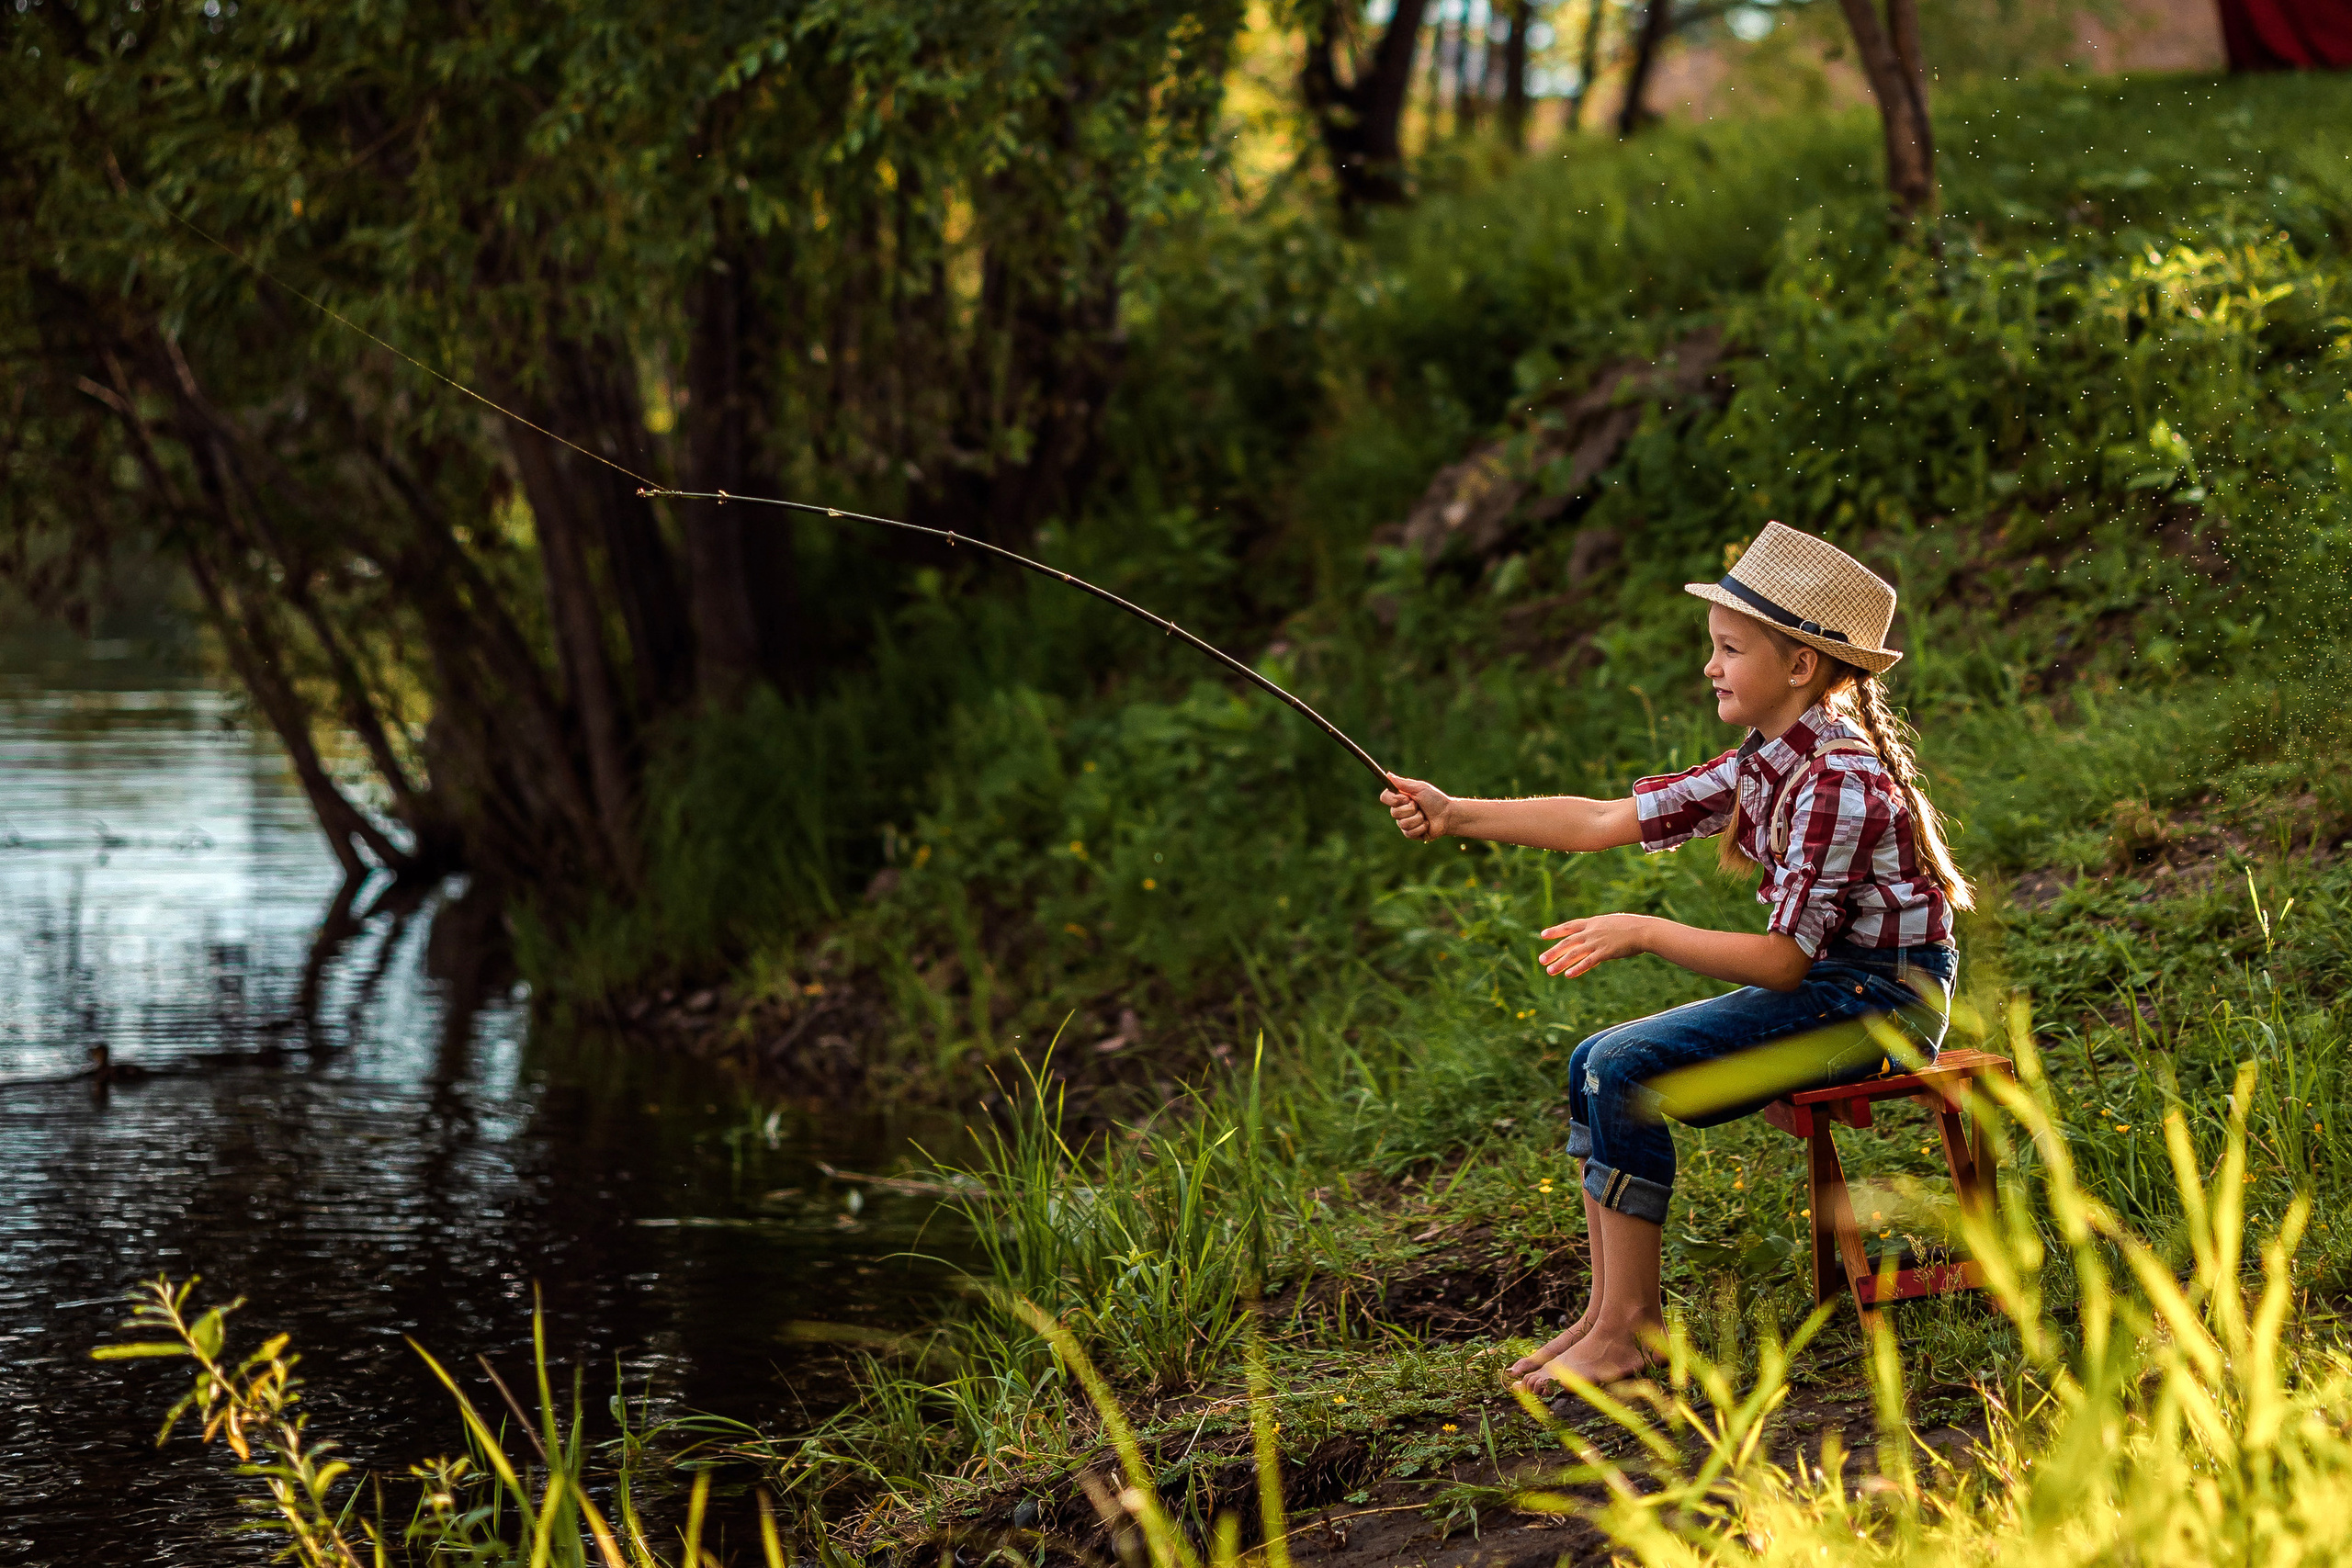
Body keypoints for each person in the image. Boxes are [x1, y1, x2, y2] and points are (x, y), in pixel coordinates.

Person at [1380, 523, 1973, 1393]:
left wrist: (1648, 928)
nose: (1711, 667)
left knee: (1624, 1067)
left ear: (1801, 665)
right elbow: (1597, 820)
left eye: (1730, 649)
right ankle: (1608, 1312)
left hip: (1882, 1005)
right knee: (1596, 1060)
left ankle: (1629, 1332)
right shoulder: (1768, 760)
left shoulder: (1836, 780)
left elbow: (1779, 964)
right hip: (1834, 988)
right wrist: (1454, 811)